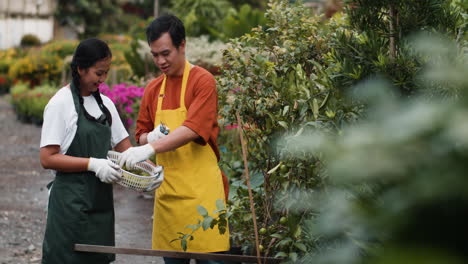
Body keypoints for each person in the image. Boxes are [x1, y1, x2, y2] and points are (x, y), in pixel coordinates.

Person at [118, 14, 230, 263]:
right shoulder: (153, 89)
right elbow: (140, 134)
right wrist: (149, 138)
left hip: (204, 197)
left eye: (165, 53)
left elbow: (192, 129)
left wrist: (150, 148)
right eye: (155, 55)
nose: (160, 61)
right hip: (168, 196)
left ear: (182, 45)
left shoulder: (203, 81)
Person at [39, 38, 132, 264]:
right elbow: (47, 158)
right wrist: (93, 164)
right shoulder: (60, 104)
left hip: (100, 206)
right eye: (98, 73)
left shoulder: (106, 106)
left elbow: (127, 151)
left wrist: (150, 168)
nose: (102, 80)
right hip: (69, 207)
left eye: (106, 73)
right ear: (80, 69)